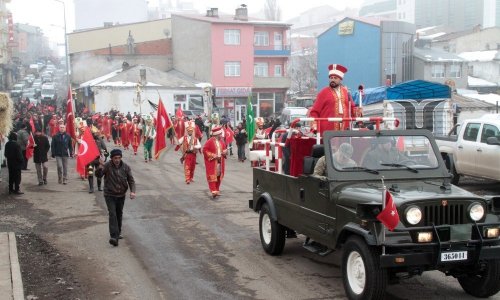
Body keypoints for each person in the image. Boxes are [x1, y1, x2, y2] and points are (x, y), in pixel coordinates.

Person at [96, 149, 136, 247]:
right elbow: (98, 175)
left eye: (119, 158)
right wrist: (99, 167)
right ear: (112, 158)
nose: (117, 160)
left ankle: (118, 232)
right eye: (115, 158)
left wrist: (133, 191)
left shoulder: (126, 167)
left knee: (119, 213)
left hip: (121, 195)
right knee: (112, 214)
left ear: (121, 158)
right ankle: (114, 236)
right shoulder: (107, 166)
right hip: (110, 195)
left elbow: (131, 180)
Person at [309, 64, 362, 135]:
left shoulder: (346, 92)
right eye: (331, 78)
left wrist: (358, 112)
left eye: (335, 78)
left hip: (344, 128)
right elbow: (314, 111)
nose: (332, 80)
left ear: (340, 79)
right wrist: (315, 126)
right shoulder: (323, 92)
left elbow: (352, 108)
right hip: (327, 129)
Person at [202, 126, 227, 198]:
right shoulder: (209, 141)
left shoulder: (222, 142)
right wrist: (213, 155)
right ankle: (213, 190)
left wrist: (225, 152)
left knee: (219, 176)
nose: (221, 135)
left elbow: (224, 150)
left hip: (220, 162)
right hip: (213, 162)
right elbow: (205, 150)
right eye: (220, 134)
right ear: (216, 134)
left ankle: (217, 189)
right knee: (212, 176)